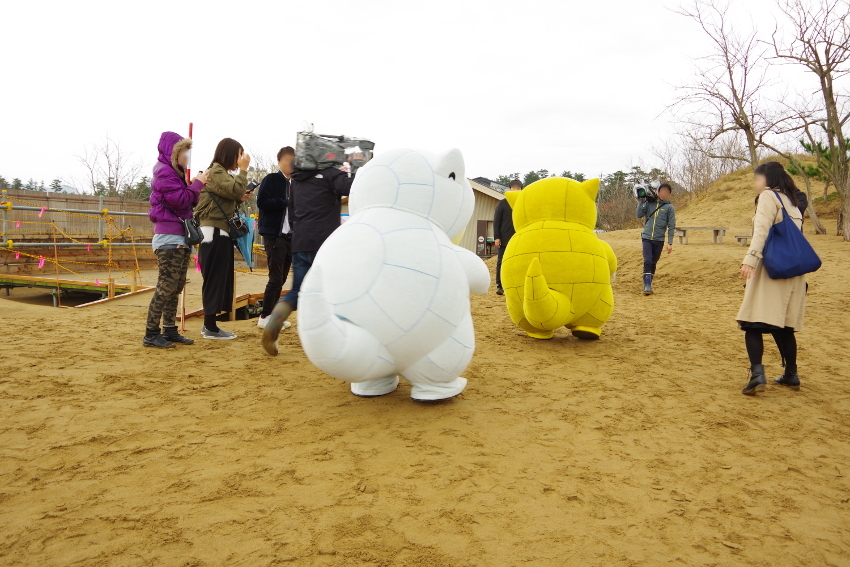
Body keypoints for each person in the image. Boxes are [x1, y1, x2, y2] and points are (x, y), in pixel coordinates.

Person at [261, 161, 355, 355]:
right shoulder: (330, 174)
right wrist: (357, 166)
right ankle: (340, 339)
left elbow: (292, 212)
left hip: (300, 242)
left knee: (299, 290)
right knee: (337, 291)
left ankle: (275, 320)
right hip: (325, 243)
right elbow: (353, 186)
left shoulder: (296, 179)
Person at [737, 162, 807, 395]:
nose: (756, 184)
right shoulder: (793, 201)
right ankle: (791, 374)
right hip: (793, 270)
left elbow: (762, 231)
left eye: (758, 179)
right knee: (783, 325)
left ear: (767, 179)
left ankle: (757, 373)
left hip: (771, 269)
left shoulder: (769, 197)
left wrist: (750, 259)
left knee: (752, 321)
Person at [143, 132, 208, 348]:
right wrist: (197, 184)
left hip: (178, 236)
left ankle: (169, 329)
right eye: (184, 150)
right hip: (169, 237)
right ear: (174, 152)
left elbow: (187, 200)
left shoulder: (172, 173)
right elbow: (181, 200)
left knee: (176, 285)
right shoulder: (164, 173)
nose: (187, 155)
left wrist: (195, 186)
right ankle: (151, 333)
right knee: (167, 285)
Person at [193, 138, 251, 339]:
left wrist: (238, 197)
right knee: (215, 278)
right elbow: (235, 188)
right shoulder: (216, 171)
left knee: (218, 278)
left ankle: (210, 325)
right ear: (229, 153)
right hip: (213, 232)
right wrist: (243, 172)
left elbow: (232, 192)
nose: (241, 159)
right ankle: (210, 327)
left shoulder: (219, 173)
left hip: (218, 232)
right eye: (239, 154)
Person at [256, 146, 295, 331]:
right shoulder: (272, 179)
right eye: (287, 159)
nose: (290, 163)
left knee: (282, 278)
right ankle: (264, 315)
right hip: (274, 235)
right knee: (275, 277)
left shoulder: (294, 183)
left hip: (289, 236)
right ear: (279, 161)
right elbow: (261, 201)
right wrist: (285, 202)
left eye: (293, 160)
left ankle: (272, 315)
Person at [636, 183, 676, 295]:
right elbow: (638, 214)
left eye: (666, 192)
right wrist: (640, 201)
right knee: (647, 260)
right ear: (658, 192)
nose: (664, 193)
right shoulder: (649, 203)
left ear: (669, 194)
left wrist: (670, 243)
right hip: (647, 237)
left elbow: (671, 226)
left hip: (659, 239)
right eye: (662, 191)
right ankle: (647, 286)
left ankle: (649, 283)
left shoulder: (669, 208)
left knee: (653, 262)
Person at [493, 179, 522, 295]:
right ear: (509, 189)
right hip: (504, 239)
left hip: (519, 239)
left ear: (521, 189)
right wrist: (497, 237)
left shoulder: (522, 202)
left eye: (518, 188)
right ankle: (500, 286)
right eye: (513, 188)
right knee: (501, 262)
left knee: (517, 262)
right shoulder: (503, 203)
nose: (515, 190)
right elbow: (496, 221)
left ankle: (515, 285)